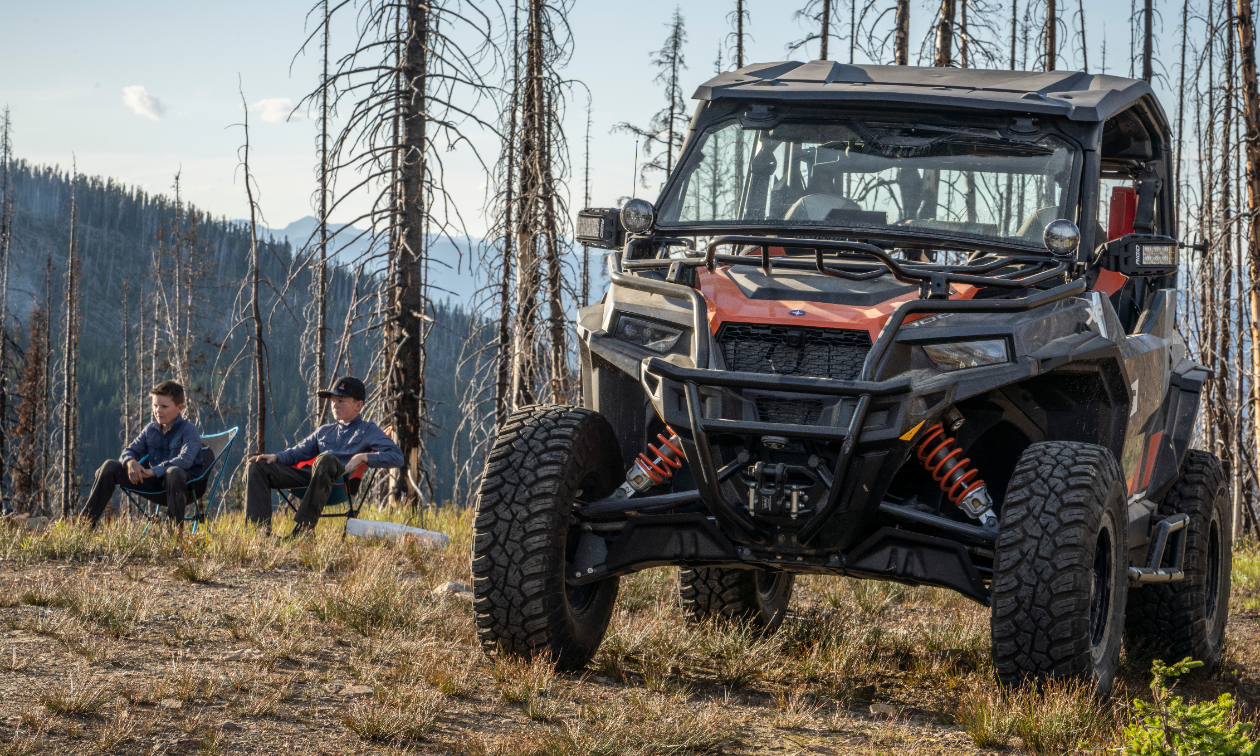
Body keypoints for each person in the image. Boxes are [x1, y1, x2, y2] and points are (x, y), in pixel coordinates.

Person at [245, 376, 403, 537]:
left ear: (358, 405)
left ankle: (304, 531)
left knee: (326, 459)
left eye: (341, 401)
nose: (334, 405)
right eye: (333, 400)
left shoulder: (368, 430)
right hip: (311, 478)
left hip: (340, 482)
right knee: (256, 467)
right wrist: (276, 457)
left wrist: (363, 457)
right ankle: (260, 534)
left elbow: (397, 457)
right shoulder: (325, 431)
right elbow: (298, 452)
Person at [83, 380, 202, 529]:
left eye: (164, 406)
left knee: (174, 472)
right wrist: (131, 463)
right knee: (110, 466)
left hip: (186, 487)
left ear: (180, 408)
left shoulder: (189, 430)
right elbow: (129, 451)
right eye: (155, 405)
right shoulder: (150, 429)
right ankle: (84, 526)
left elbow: (185, 460)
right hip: (155, 485)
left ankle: (173, 536)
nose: (158, 410)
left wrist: (153, 471)